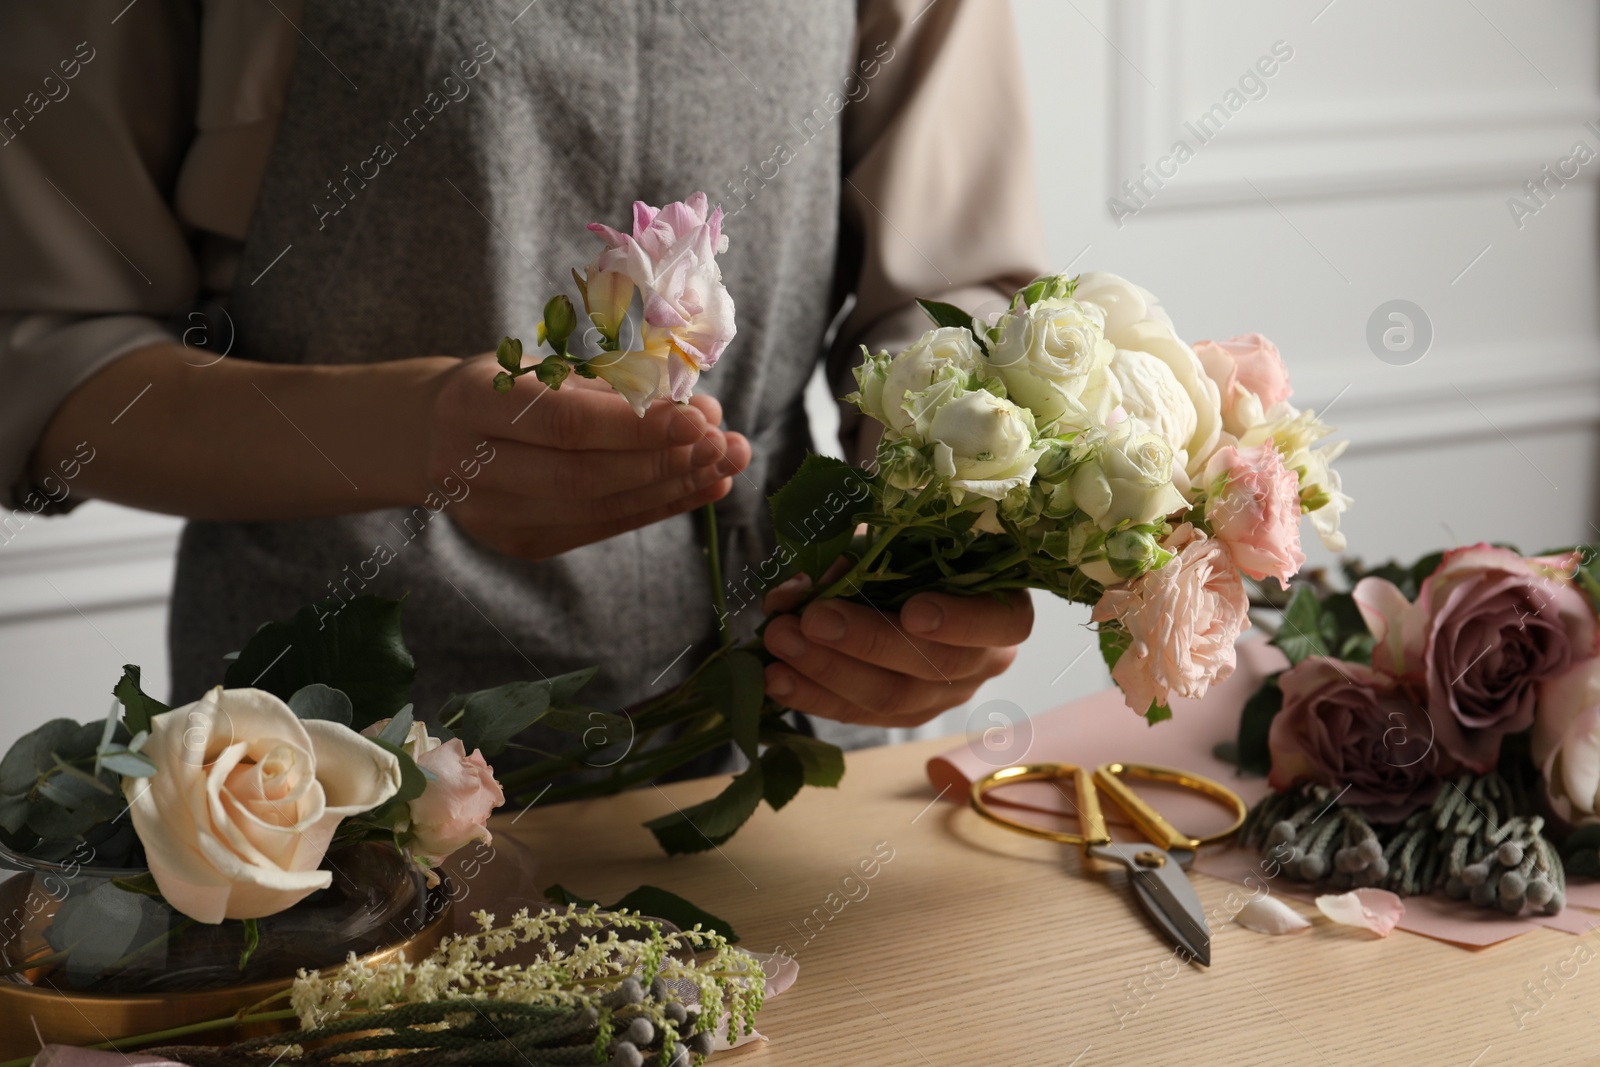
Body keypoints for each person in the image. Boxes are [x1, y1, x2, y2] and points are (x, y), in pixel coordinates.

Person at [0, 0, 1046, 762]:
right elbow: (45, 348)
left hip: (789, 735)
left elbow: (949, 301)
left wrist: (920, 559)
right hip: (324, 766)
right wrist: (407, 436)